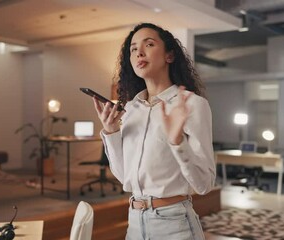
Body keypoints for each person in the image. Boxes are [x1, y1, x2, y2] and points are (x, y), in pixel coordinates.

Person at [91, 23, 215, 240]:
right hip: (135, 223)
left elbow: (204, 184)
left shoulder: (192, 105)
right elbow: (124, 178)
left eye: (149, 44)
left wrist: (177, 143)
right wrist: (111, 132)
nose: (139, 52)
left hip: (175, 224)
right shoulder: (130, 109)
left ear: (169, 55)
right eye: (133, 48)